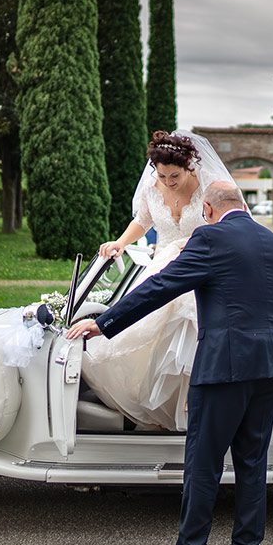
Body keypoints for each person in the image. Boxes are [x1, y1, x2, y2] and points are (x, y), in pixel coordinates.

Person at [67, 182, 273, 545]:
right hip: (271, 365)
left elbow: (161, 286)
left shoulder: (209, 238)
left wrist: (104, 323)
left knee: (203, 464)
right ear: (240, 205)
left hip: (225, 367)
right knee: (252, 465)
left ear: (207, 208)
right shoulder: (272, 242)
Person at [83, 130, 236, 431]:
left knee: (188, 333)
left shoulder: (210, 187)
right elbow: (143, 221)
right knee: (148, 337)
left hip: (198, 267)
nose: (168, 182)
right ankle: (159, 414)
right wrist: (121, 243)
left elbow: (227, 224)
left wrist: (193, 244)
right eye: (162, 175)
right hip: (163, 266)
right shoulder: (153, 188)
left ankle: (195, 410)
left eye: (174, 176)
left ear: (191, 165)